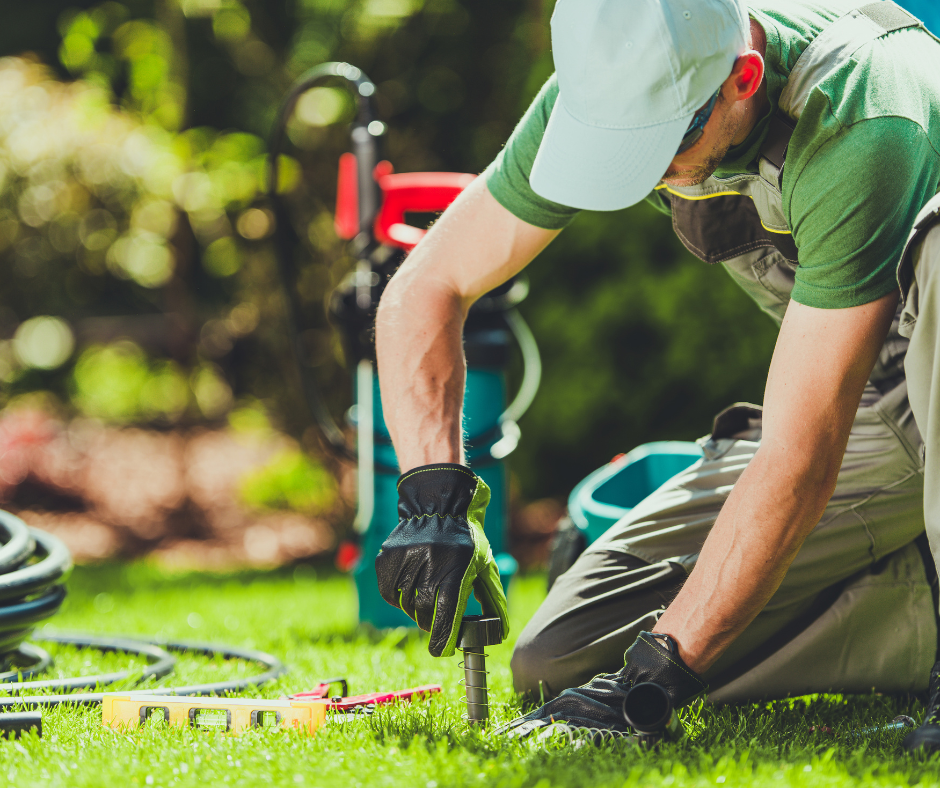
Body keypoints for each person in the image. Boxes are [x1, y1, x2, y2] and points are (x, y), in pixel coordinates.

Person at [372, 0, 940, 751]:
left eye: (660, 146)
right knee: (562, 658)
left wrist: (661, 674)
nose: (646, 174)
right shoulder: (616, 84)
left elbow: (801, 458)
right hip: (878, 402)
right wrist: (430, 497)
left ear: (742, 80)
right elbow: (428, 286)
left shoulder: (864, 112)